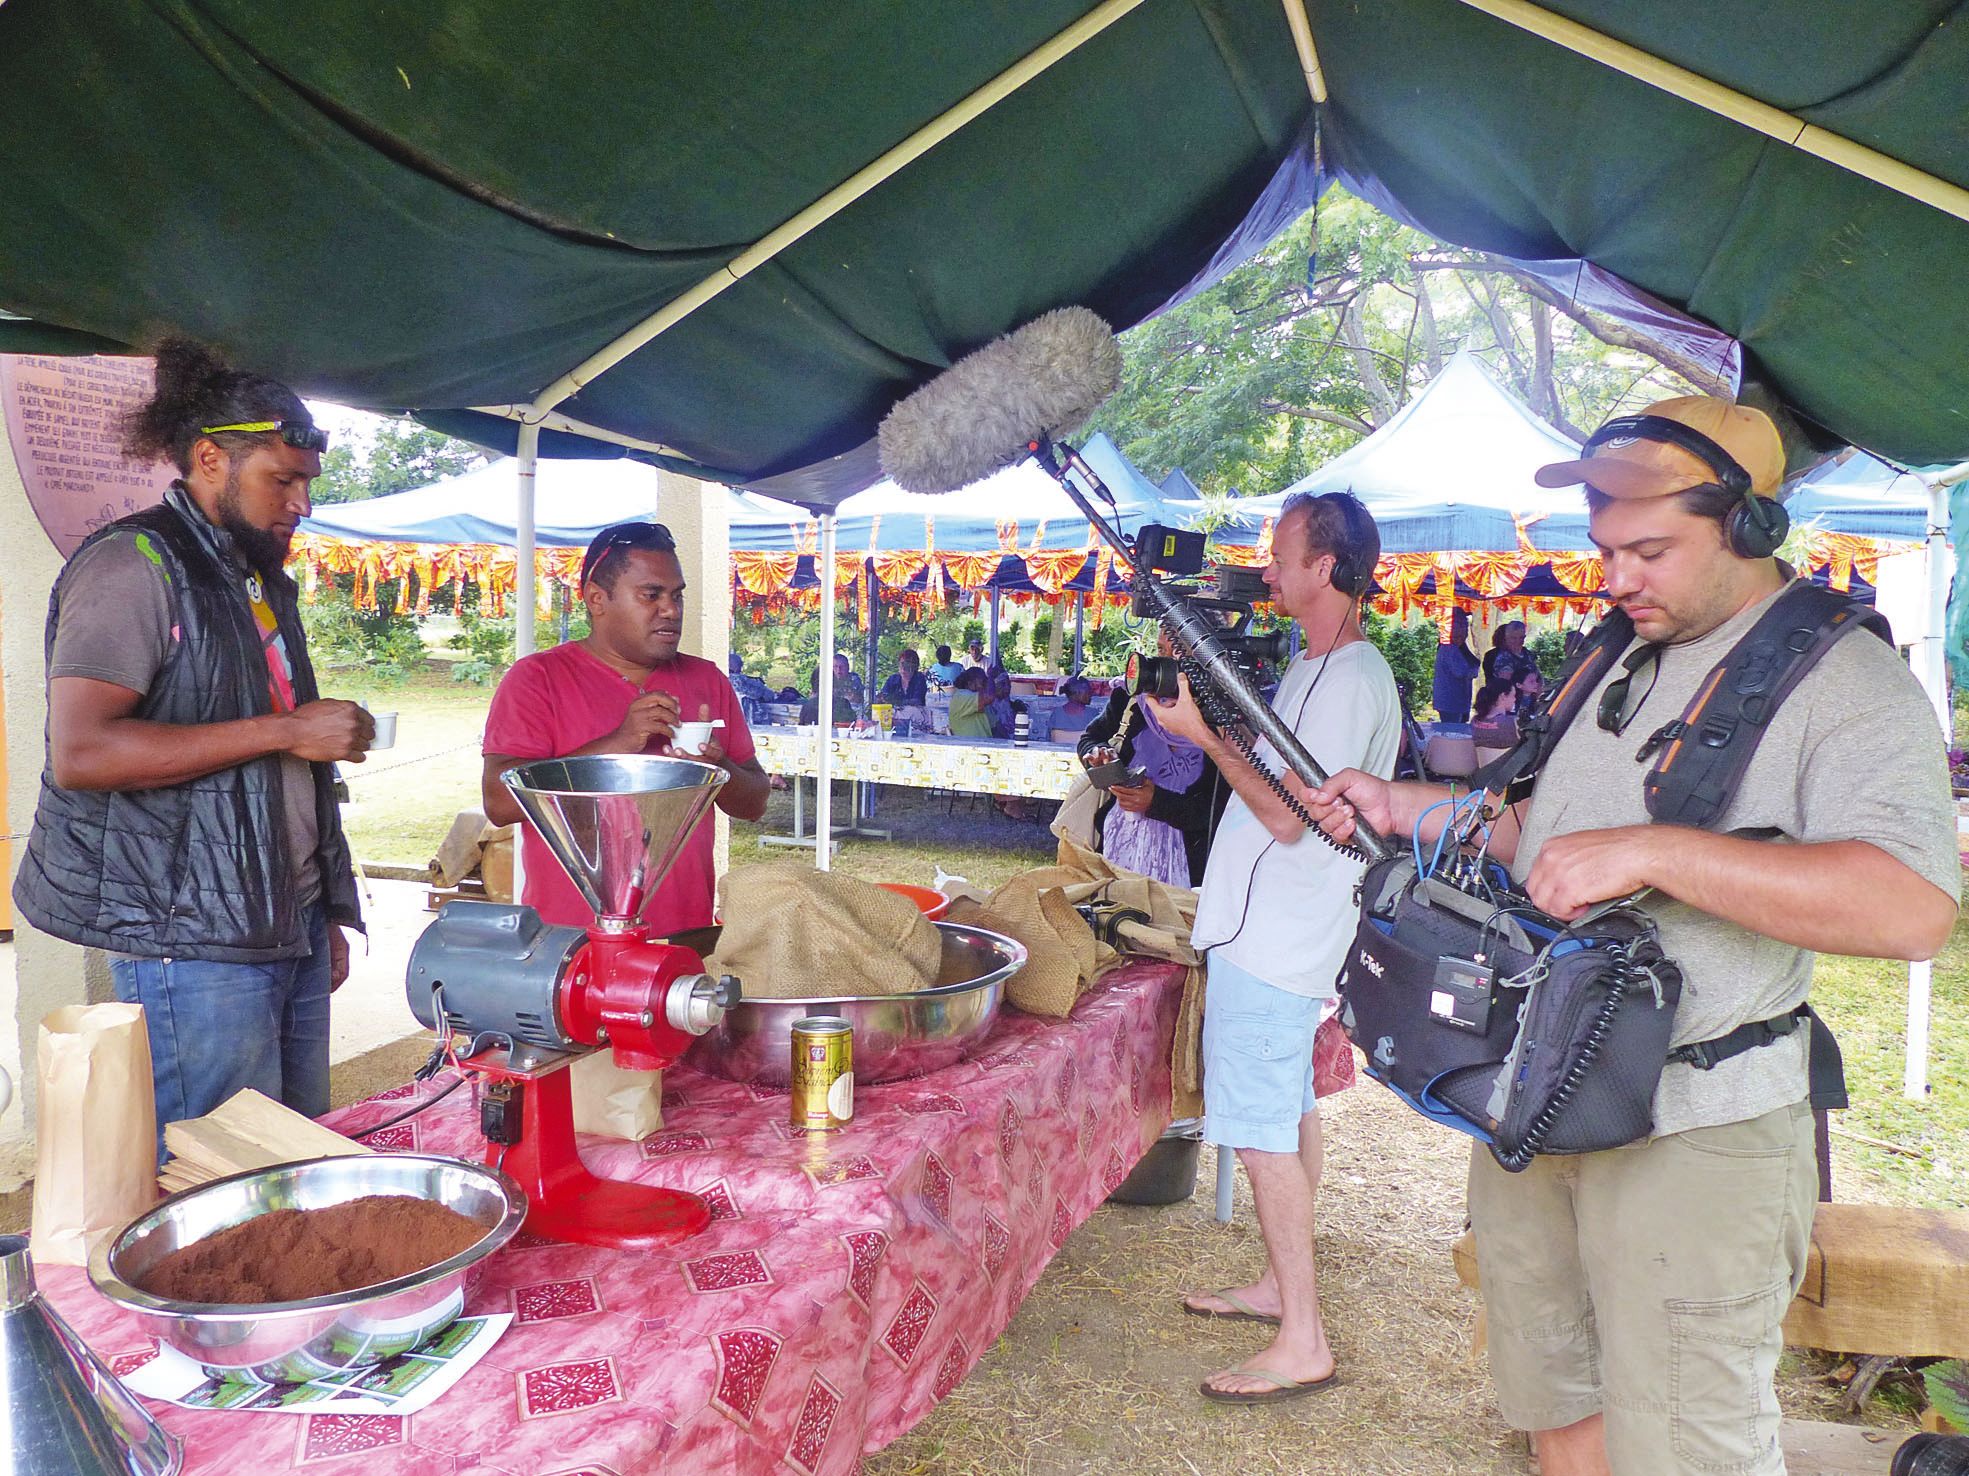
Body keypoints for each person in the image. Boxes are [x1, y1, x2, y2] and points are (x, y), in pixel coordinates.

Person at [1306, 397, 1957, 1475]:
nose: (1615, 578)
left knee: (1684, 1446)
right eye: (1605, 549)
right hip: (1535, 1100)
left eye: (1647, 550)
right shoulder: (1617, 651)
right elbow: (1537, 835)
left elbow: (1911, 908)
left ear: (1748, 529)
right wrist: (1395, 801)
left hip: (1696, 1129)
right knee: (1553, 1399)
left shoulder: (1846, 682)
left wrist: (1657, 852)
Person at [13, 339, 371, 1146]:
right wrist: (288, 729)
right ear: (211, 458)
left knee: (294, 1158)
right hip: (195, 942)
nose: (302, 504)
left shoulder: (252, 576)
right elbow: (84, 753)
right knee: (225, 1184)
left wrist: (322, 912)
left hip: (283, 921)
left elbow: (275, 766)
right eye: (283, 480)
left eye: (307, 482)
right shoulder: (131, 564)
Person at [1154, 491, 1403, 1404]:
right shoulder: (1318, 668)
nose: (1267, 568)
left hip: (1280, 936)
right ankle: (1278, 1289)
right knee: (1287, 1111)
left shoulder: (1347, 679)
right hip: (1277, 929)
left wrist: (1202, 740)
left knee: (1260, 1132)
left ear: (1324, 568)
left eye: (1281, 553)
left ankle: (1303, 1335)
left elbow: (1291, 817)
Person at [482, 520, 769, 932]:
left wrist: (718, 766)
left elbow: (754, 803)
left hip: (684, 938)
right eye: (650, 595)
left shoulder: (705, 680)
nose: (670, 610)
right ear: (597, 600)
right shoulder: (537, 679)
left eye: (676, 596)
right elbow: (500, 803)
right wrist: (619, 743)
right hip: (572, 944)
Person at [1077, 640, 1227, 886]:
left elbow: (1221, 808)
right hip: (1114, 851)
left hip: (1190, 871)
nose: (1164, 661)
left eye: (1178, 650)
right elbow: (1090, 738)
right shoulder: (1131, 699)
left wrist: (1157, 803)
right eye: (1160, 649)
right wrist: (1098, 755)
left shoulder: (1225, 717)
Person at [1431, 608, 1482, 723]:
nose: (1464, 629)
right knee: (1453, 733)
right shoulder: (1449, 648)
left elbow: (1474, 665)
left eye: (1465, 625)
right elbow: (1461, 672)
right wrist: (1471, 671)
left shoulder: (1460, 648)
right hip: (1450, 702)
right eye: (1460, 625)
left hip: (1458, 701)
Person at [1469, 676, 1520, 749]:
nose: (1515, 699)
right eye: (1513, 695)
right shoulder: (1514, 724)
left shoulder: (1474, 721)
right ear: (1503, 696)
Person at [946, 667, 996, 738]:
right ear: (970, 683)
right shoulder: (961, 696)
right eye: (983, 681)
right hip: (968, 746)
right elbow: (989, 697)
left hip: (983, 745)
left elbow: (994, 728)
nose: (985, 685)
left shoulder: (979, 700)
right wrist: (991, 678)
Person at [1483, 618, 1536, 686]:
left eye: (1521, 638)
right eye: (1513, 638)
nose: (1517, 641)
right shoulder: (1496, 656)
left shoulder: (1527, 654)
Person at [727, 651, 774, 723]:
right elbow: (765, 694)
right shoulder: (737, 679)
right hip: (745, 720)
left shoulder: (719, 677)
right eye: (740, 665)